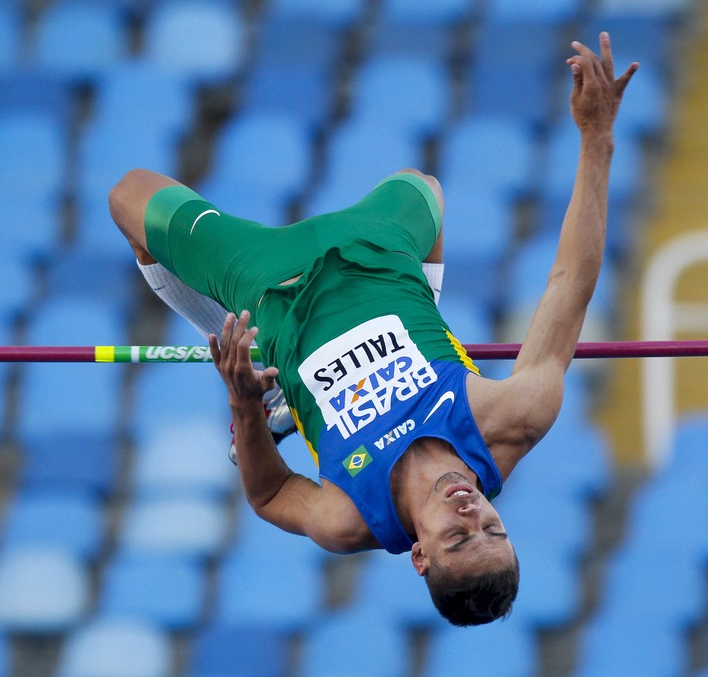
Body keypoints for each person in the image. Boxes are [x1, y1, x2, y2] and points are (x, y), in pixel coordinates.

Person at [109, 34, 637, 626]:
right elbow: (569, 284)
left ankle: (255, 357)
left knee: (130, 196)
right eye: (492, 526)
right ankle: (283, 371)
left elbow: (269, 494)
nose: (471, 514)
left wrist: (245, 403)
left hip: (268, 284)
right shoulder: (509, 421)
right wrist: (597, 140)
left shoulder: (349, 517)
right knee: (422, 187)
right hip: (381, 250)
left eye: (459, 539)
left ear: (419, 555)